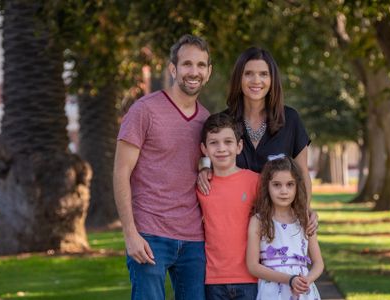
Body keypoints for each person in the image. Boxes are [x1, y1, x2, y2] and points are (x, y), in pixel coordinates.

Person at [113, 34, 212, 300]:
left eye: (201, 65)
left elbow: (205, 162)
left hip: (194, 239)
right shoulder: (144, 110)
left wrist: (205, 169)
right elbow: (121, 172)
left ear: (209, 72)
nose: (194, 72)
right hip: (149, 235)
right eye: (187, 64)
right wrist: (130, 234)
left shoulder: (207, 120)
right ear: (173, 69)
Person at [197, 47, 313, 204]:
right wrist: (204, 169)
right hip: (234, 215)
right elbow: (206, 152)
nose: (256, 80)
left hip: (277, 220)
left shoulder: (290, 119)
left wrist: (305, 212)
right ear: (239, 78)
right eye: (248, 73)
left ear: (272, 79)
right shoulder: (224, 121)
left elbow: (302, 173)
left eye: (263, 74)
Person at [197, 112, 259, 299]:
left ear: (239, 146)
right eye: (214, 143)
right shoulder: (201, 185)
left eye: (228, 142)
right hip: (213, 280)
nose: (221, 148)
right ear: (204, 149)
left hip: (251, 278)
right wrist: (202, 169)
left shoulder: (255, 181)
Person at [246, 156, 323, 300]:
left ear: (297, 186)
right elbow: (252, 266)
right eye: (276, 185)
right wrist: (289, 279)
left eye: (290, 184)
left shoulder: (304, 219)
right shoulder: (259, 221)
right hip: (272, 291)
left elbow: (318, 262)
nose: (283, 191)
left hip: (303, 290)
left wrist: (307, 280)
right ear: (267, 187)